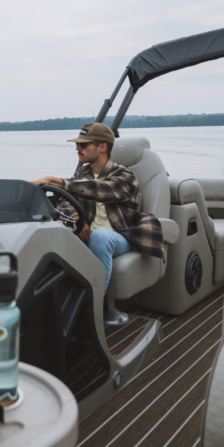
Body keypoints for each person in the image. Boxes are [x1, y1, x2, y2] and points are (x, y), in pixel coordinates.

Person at [33, 123, 163, 325]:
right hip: (89, 233)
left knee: (100, 236)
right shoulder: (82, 174)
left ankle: (94, 309)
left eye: (83, 145)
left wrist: (55, 181)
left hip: (121, 235)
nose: (78, 148)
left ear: (102, 147)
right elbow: (65, 201)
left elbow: (102, 190)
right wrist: (76, 218)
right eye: (78, 145)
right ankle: (50, 306)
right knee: (56, 232)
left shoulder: (126, 176)